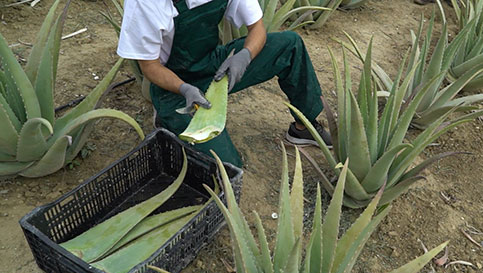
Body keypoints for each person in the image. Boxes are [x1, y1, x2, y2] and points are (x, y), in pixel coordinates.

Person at [117, 0, 332, 168]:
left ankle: (304, 127)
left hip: (214, 66)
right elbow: (149, 67)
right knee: (227, 168)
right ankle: (169, 119)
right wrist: (184, 88)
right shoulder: (145, 3)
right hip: (173, 86)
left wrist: (245, 56)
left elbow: (257, 27)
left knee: (289, 45)